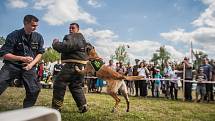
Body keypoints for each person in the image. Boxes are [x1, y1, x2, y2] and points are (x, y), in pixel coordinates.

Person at [0, 15, 45, 108]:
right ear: (25, 23)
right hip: (12, 65)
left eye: (36, 25)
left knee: (34, 90)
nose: (35, 28)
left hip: (29, 67)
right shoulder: (13, 35)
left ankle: (27, 111)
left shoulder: (38, 37)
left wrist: (31, 64)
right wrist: (21, 58)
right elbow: (4, 54)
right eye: (33, 25)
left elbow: (40, 53)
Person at [51, 23, 88, 113]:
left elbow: (65, 46)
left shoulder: (74, 36)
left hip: (72, 65)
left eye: (73, 28)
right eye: (69, 28)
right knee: (76, 86)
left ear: (78, 29)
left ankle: (56, 107)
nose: (70, 30)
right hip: (81, 66)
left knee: (59, 83)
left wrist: (55, 43)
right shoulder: (83, 40)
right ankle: (83, 106)